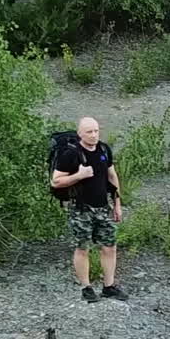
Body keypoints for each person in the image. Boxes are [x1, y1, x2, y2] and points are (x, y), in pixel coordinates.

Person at [51, 116, 127, 303]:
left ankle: (109, 286)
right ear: (80, 134)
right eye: (89, 132)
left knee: (109, 246)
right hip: (81, 209)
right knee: (82, 248)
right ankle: (86, 288)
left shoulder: (103, 149)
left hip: (103, 207)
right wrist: (79, 175)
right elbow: (56, 181)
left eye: (96, 131)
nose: (93, 135)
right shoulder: (71, 154)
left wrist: (117, 203)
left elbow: (112, 176)